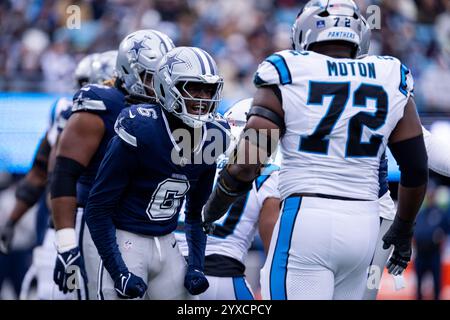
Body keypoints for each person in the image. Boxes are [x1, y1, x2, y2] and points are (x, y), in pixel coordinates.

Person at [201, 0, 428, 300]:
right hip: (363, 225)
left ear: (305, 32)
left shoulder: (287, 69)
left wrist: (213, 209)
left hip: (306, 219)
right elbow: (415, 166)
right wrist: (404, 227)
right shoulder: (388, 74)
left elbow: (247, 163)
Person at [85, 46, 229, 300]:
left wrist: (196, 265)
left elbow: (196, 215)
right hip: (126, 242)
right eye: (193, 88)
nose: (203, 98)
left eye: (209, 90)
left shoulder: (214, 136)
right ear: (166, 86)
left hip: (168, 243)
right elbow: (98, 208)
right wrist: (118, 271)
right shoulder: (141, 127)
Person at [49, 30, 174, 300]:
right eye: (152, 77)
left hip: (144, 228)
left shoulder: (170, 111)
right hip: (98, 222)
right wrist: (66, 244)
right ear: (129, 71)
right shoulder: (101, 104)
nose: (160, 85)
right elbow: (63, 175)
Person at [175, 98, 281, 300]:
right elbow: (275, 250)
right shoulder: (269, 174)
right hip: (223, 278)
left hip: (170, 272)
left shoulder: (191, 153)